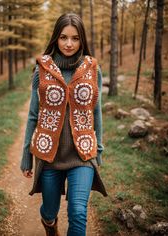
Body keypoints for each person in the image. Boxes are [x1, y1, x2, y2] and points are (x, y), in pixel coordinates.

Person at [20, 13, 107, 236]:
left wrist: (98, 150)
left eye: (75, 38)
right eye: (63, 37)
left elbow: (96, 112)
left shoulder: (92, 69)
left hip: (82, 155)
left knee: (78, 213)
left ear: (82, 40)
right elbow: (33, 115)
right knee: (49, 211)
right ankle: (50, 225)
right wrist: (26, 156)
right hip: (50, 155)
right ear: (56, 39)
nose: (69, 44)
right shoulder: (43, 69)